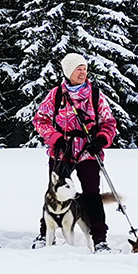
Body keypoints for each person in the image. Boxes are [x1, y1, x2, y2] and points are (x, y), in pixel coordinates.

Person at [32, 52, 119, 252]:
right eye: (78, 69)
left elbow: (109, 122)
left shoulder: (95, 95)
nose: (83, 72)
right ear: (68, 71)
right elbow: (40, 120)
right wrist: (55, 138)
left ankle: (99, 238)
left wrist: (101, 139)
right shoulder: (55, 95)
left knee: (91, 193)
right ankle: (46, 232)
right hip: (62, 150)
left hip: (88, 150)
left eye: (84, 68)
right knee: (55, 191)